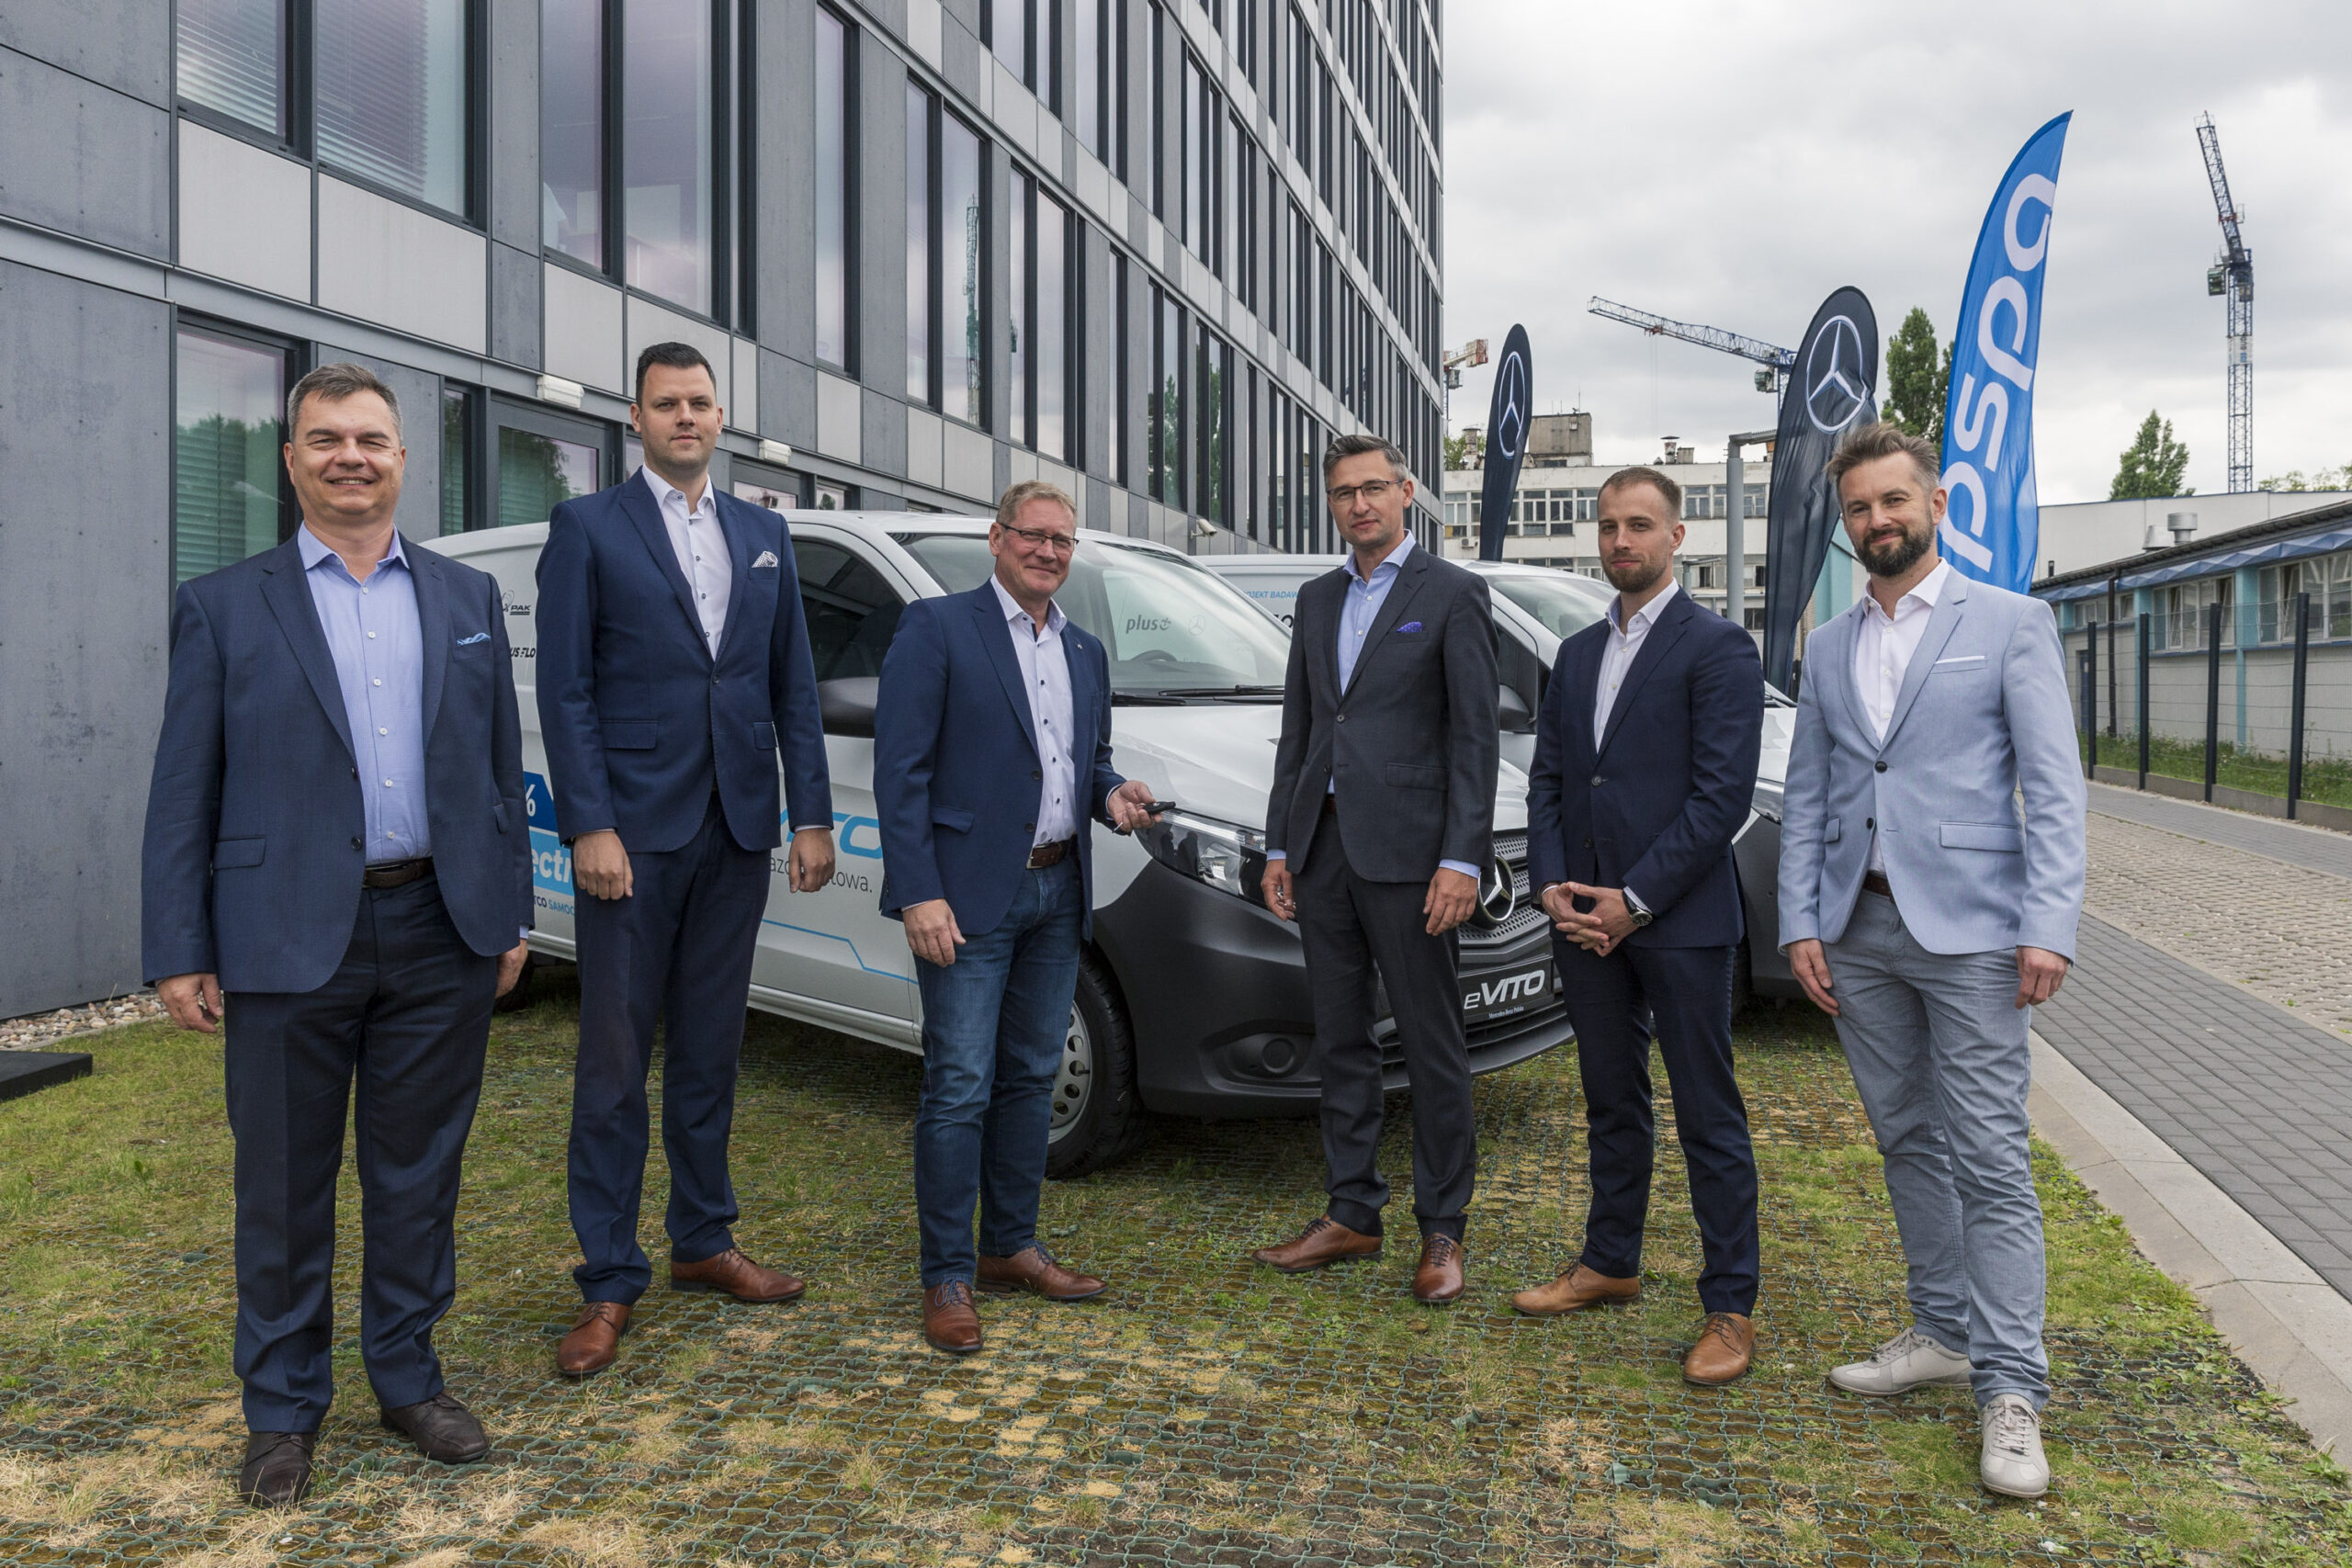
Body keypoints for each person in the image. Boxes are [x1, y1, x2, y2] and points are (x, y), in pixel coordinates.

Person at [141, 363, 532, 1507]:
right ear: (291, 459)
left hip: (442, 925)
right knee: (281, 1185)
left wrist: (507, 911)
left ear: (403, 458)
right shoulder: (224, 605)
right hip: (280, 934)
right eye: (325, 439)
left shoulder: (466, 598)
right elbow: (183, 790)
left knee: (419, 1174)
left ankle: (407, 1379)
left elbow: (499, 771)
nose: (349, 456)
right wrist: (179, 944)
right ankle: (282, 1410)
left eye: (370, 438)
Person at [1778, 421, 2086, 1498]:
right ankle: (1943, 1331)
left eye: (1893, 501)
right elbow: (1809, 793)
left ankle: (2011, 1388)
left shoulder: (2008, 623)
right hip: (1857, 935)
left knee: (1989, 1158)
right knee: (1906, 1137)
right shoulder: (1827, 644)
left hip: (1975, 936)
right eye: (1858, 508)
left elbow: (2053, 787)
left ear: (1935, 504)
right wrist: (1799, 922)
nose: (1877, 520)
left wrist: (2049, 923)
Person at [535, 343, 836, 1379]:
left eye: (701, 403)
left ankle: (703, 1239)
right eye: (666, 403)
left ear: (721, 416)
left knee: (710, 1049)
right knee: (615, 1064)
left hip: (736, 828)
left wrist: (811, 815)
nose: (686, 418)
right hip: (631, 837)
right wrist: (589, 823)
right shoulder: (587, 527)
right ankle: (609, 1277)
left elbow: (791, 684)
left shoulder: (764, 533)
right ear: (636, 417)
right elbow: (566, 689)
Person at [873, 481, 1162, 1355]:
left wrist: (1113, 794)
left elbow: (1084, 761)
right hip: (963, 899)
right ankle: (946, 1274)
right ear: (995, 538)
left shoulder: (1084, 651)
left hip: (1057, 890)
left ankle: (1009, 1245)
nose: (1048, 551)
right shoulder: (937, 628)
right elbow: (901, 772)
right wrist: (918, 891)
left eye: (1062, 540)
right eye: (1032, 535)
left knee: (1032, 1076)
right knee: (959, 1083)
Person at [1509, 467, 1766, 1385]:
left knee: (1706, 1112)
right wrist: (1551, 884)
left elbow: (1719, 798)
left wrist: (1637, 900)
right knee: (1610, 1098)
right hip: (1583, 919)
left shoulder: (1720, 648)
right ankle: (1610, 1261)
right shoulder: (1578, 652)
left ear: (1676, 536)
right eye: (1610, 525)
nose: (1622, 540)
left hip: (1679, 922)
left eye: (1641, 525)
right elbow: (1550, 778)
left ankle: (1729, 1305)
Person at [1251, 434, 1499, 1304]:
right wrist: (1279, 845)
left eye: (1372, 488)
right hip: (1323, 853)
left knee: (1431, 1043)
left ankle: (1443, 1226)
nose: (1358, 504)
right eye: (1343, 493)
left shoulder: (1454, 593)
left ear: (1406, 491)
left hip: (1412, 857)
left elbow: (1475, 737)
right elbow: (1302, 729)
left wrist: (1462, 857)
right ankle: (1352, 1210)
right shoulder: (1317, 598)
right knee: (1342, 1038)